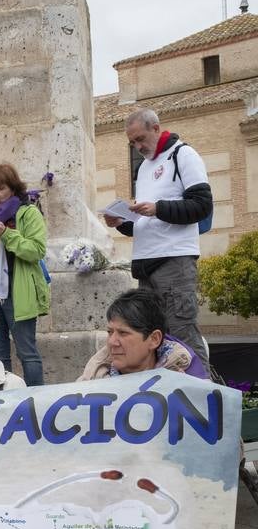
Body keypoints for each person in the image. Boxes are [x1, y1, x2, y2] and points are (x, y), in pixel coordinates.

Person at [103, 108, 212, 373]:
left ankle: (207, 399)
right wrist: (122, 223)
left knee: (182, 334)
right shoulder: (143, 169)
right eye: (132, 142)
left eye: (140, 139)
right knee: (151, 339)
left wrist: (158, 208)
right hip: (146, 264)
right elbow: (146, 223)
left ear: (156, 128)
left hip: (174, 262)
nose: (137, 146)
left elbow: (201, 205)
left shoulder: (183, 154)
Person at [0, 163, 49, 386]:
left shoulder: (28, 213)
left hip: (18, 292)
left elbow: (36, 251)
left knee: (27, 352)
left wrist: (6, 233)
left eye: (0, 187)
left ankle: (37, 399)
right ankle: (5, 401)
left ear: (13, 189)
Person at [79, 288, 208, 380]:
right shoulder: (90, 384)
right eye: (110, 332)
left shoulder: (189, 382)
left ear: (154, 339)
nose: (112, 342)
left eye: (123, 333)